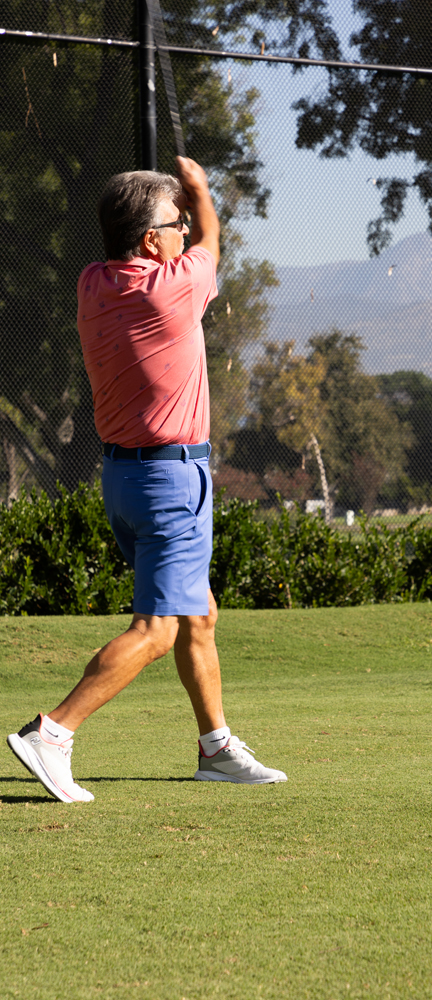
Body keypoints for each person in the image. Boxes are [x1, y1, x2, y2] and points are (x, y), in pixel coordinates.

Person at [7, 157, 287, 803]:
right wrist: (201, 192)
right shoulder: (170, 289)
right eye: (174, 224)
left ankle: (215, 748)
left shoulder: (93, 283)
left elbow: (187, 239)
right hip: (170, 481)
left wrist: (178, 202)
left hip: (124, 481)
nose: (184, 231)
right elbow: (212, 240)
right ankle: (53, 733)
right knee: (157, 629)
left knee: (198, 614)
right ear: (150, 241)